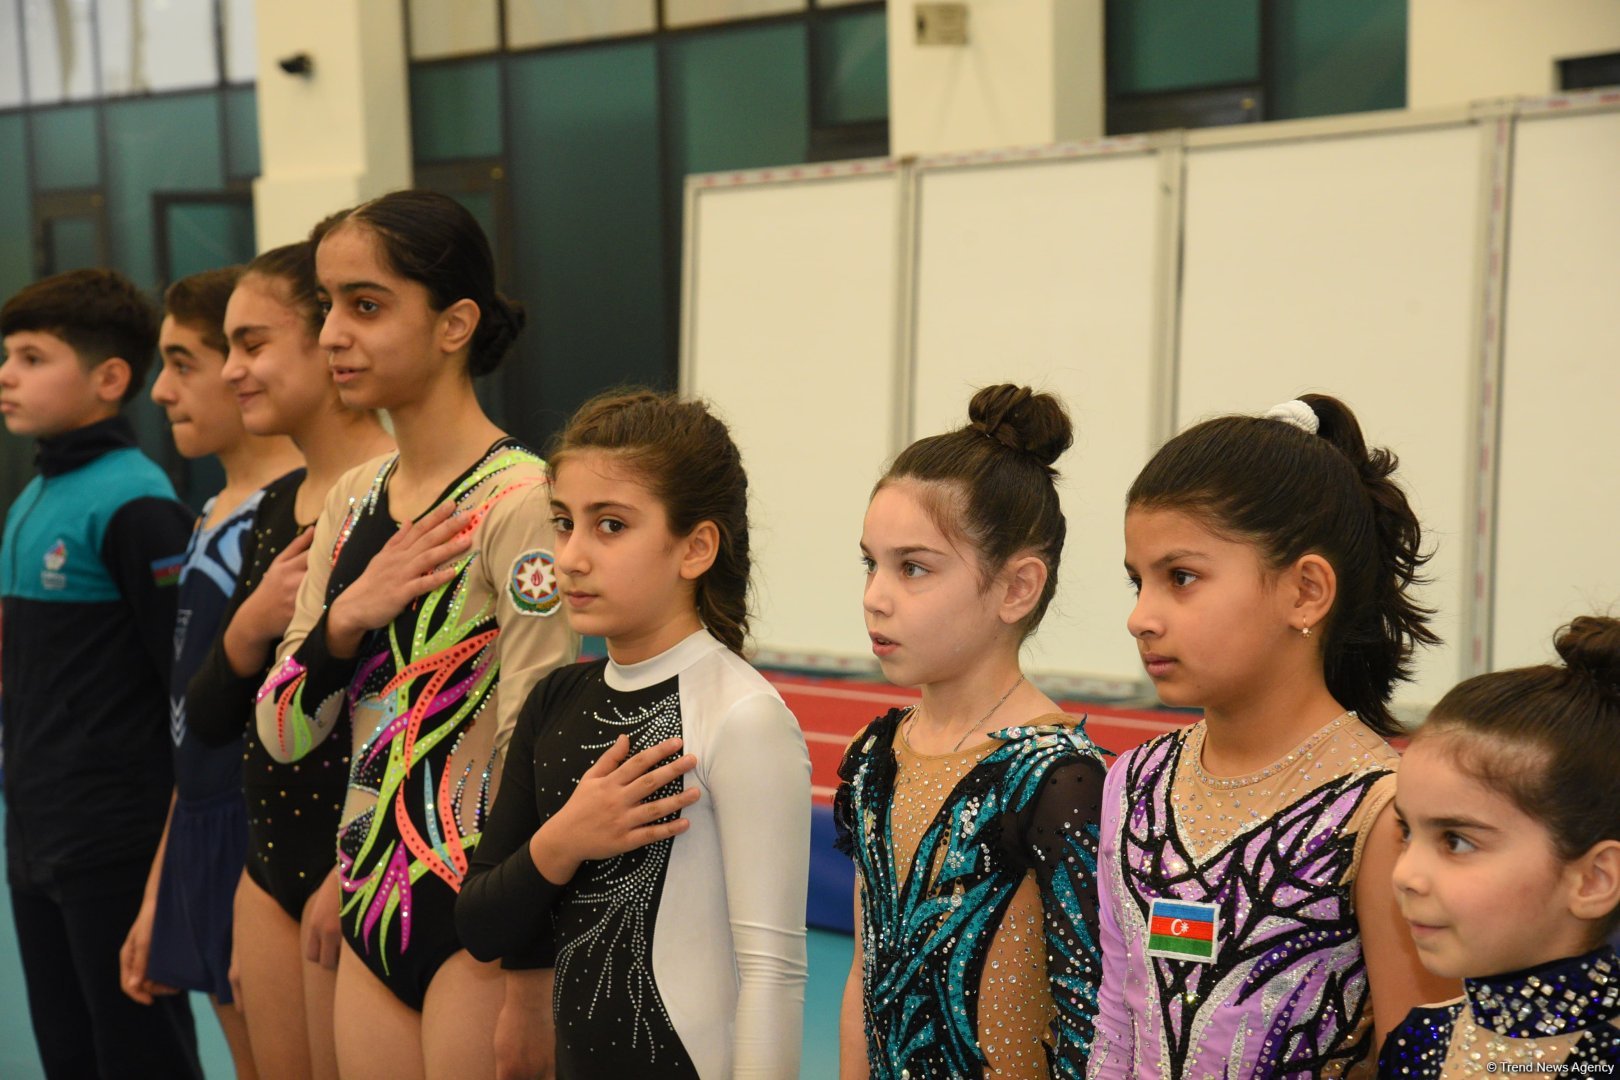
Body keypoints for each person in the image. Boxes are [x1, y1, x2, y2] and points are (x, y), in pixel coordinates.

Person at [255, 191, 576, 1080]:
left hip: (473, 919)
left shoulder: (521, 504)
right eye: (326, 307)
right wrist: (349, 613)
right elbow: (284, 731)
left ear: (454, 323)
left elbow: (532, 743)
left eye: (365, 305)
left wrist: (524, 966)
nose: (330, 335)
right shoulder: (354, 500)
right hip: (368, 901)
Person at [1089, 395, 1458, 1078]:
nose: (1141, 616)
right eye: (1137, 581)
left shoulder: (1379, 811)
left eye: (1182, 578)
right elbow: (1119, 1013)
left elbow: (1416, 1056)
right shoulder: (1134, 782)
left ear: (1306, 592)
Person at [457, 389, 812, 1079]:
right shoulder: (555, 699)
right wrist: (566, 838)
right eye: (563, 523)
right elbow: (481, 928)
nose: (572, 556)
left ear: (695, 547)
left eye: (610, 526)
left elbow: (773, 977)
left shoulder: (741, 716)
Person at [835, 385, 1107, 1079]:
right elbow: (866, 970)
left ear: (1017, 588)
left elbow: (1087, 1015)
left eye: (914, 568)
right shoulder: (876, 756)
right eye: (872, 562)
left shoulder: (1059, 778)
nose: (876, 594)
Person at [185, 242, 394, 1080]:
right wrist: (246, 631)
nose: (233, 371)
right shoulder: (278, 505)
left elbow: (413, 716)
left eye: (252, 344)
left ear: (328, 338)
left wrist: (355, 865)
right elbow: (210, 718)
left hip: (362, 861)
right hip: (268, 860)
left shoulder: (396, 497)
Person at [0, 269, 202, 1078]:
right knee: (69, 1054)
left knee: (139, 1051)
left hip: (114, 836)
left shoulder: (137, 505)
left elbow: (181, 686)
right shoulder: (38, 493)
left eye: (31, 356)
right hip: (36, 827)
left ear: (109, 378)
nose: (7, 374)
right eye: (6, 355)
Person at [121, 267, 302, 1078]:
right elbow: (189, 727)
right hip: (198, 825)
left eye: (182, 363)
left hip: (257, 829)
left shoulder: (288, 514)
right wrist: (163, 885)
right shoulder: (211, 517)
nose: (162, 391)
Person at [1378, 616, 1620, 1075]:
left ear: (1593, 879)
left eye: (1456, 841)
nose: (1405, 875)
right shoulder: (1418, 1042)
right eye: (1406, 832)